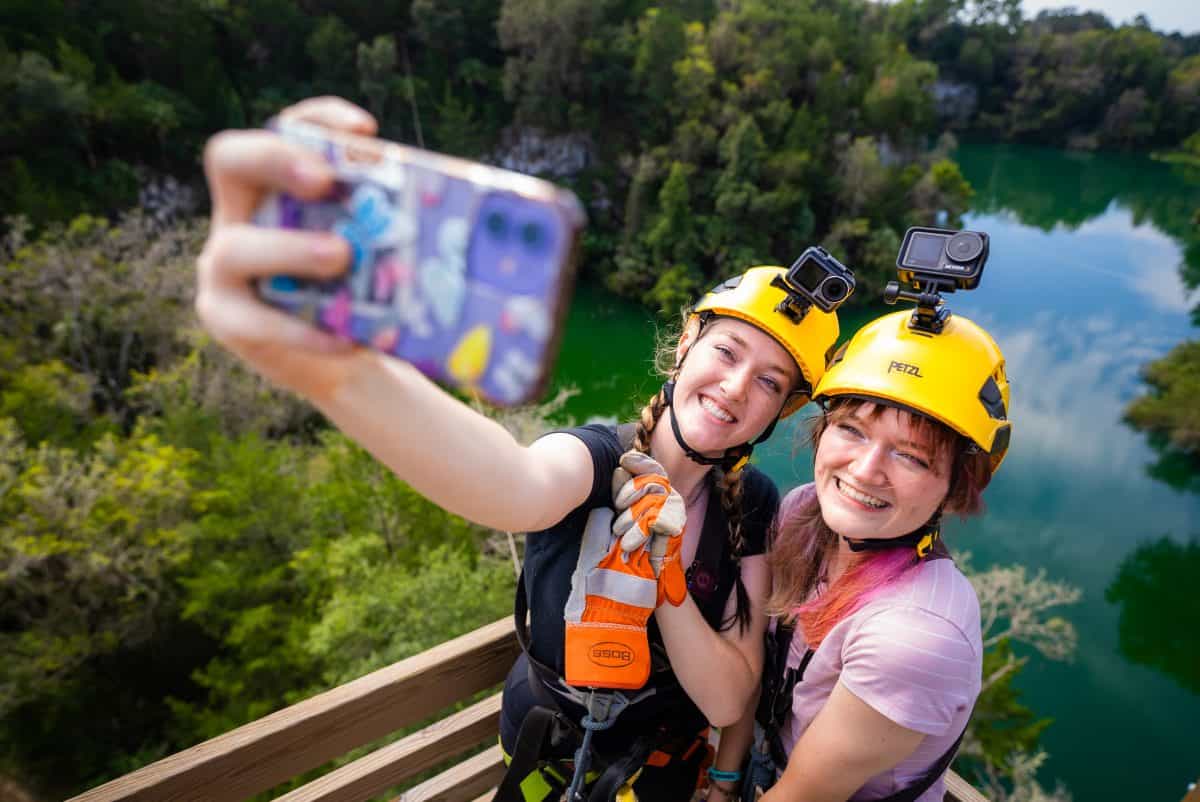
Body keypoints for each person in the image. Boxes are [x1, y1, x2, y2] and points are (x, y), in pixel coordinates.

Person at [193, 96, 845, 801]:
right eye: (727, 351)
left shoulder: (752, 503)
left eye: (770, 382)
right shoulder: (598, 459)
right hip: (545, 753)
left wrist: (666, 577)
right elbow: (511, 483)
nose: (736, 387)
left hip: (659, 770)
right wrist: (340, 376)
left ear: (783, 410)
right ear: (686, 344)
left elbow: (727, 700)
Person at [728, 307, 1012, 802]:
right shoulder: (804, 515)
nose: (864, 471)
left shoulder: (916, 637)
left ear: (954, 486)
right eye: (853, 430)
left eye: (911, 456)